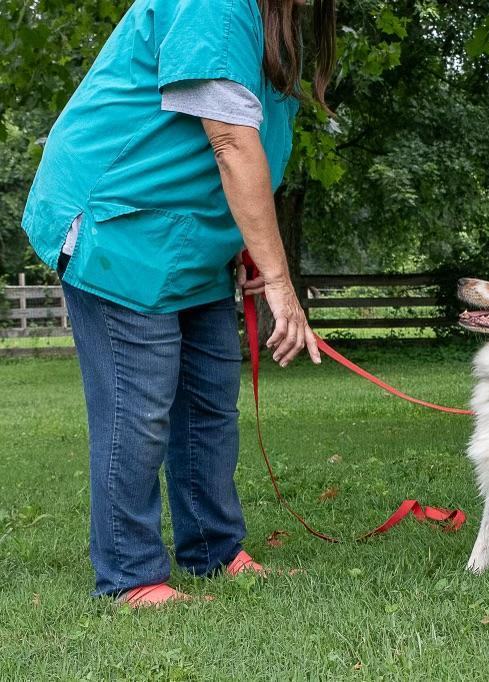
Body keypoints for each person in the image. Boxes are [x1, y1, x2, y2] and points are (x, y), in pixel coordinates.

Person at [20, 0, 336, 607]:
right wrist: (277, 277)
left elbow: (250, 143)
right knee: (136, 411)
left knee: (208, 404)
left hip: (190, 240)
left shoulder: (269, 22)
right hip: (119, 225)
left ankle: (214, 550)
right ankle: (131, 575)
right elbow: (232, 143)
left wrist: (245, 244)